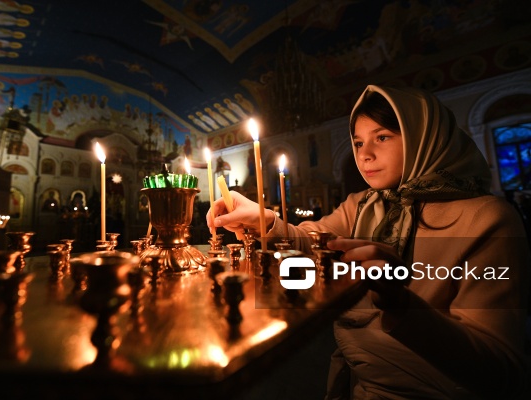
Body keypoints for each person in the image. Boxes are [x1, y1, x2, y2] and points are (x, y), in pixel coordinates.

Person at [207, 85, 530, 399]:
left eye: (383, 137)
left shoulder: (487, 219)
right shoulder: (364, 204)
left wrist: (401, 304)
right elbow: (312, 242)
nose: (365, 155)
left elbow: (500, 374)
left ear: (424, 138)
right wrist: (266, 221)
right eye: (358, 142)